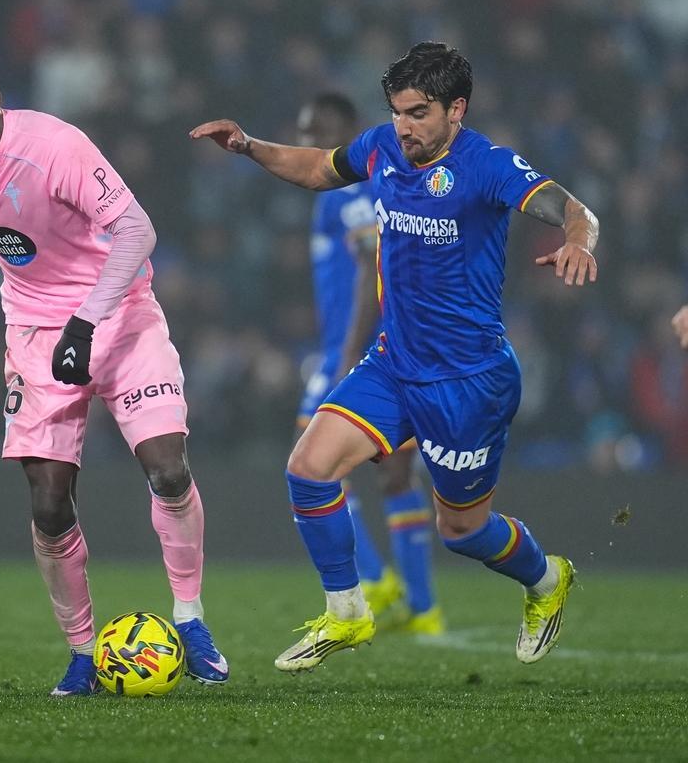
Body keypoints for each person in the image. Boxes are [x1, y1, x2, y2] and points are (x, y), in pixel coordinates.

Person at [191, 41, 599, 670]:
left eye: (418, 113)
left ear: (456, 110)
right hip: (394, 362)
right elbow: (318, 167)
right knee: (309, 469)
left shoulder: (487, 165)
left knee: (462, 531)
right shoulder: (382, 145)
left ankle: (546, 578)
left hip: (468, 381)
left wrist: (578, 241)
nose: (404, 126)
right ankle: (347, 611)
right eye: (398, 112)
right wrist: (249, 146)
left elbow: (573, 209)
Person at [0, 48, 227, 695]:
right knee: (49, 501)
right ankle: (83, 653)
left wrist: (86, 320)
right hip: (36, 333)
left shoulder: (56, 147)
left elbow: (138, 230)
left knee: (168, 468)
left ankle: (191, 619)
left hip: (117, 314)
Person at [290, 92, 443, 635]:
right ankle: (423, 609)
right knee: (395, 474)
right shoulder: (353, 188)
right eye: (304, 133)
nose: (309, 142)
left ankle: (376, 580)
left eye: (319, 131)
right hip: (387, 344)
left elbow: (368, 265)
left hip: (362, 348)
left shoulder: (350, 189)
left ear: (349, 129)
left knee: (312, 455)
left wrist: (347, 354)